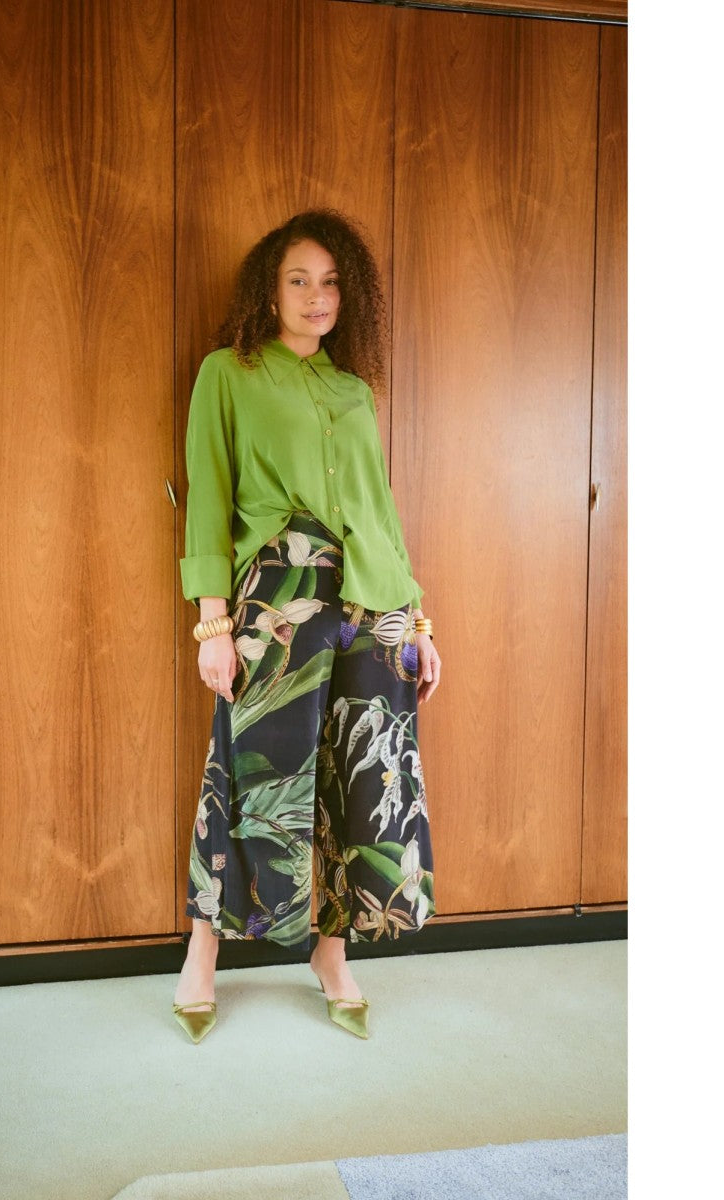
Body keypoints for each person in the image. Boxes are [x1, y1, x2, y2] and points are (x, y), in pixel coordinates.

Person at [172, 209, 442, 1044]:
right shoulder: (229, 372)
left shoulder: (353, 389)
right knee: (251, 774)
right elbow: (209, 494)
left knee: (367, 778)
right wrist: (212, 621)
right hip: (276, 597)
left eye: (330, 282)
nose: (316, 296)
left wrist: (418, 619)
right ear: (270, 288)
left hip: (371, 604)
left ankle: (334, 952)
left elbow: (380, 510)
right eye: (299, 280)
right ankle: (202, 952)